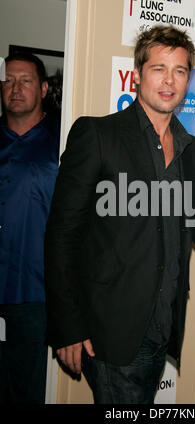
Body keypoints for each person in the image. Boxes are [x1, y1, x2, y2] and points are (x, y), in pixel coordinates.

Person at [44, 25, 195, 404]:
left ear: (188, 80)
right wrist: (66, 327)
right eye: (159, 68)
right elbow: (61, 236)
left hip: (162, 333)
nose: (169, 80)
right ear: (138, 74)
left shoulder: (188, 150)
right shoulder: (97, 136)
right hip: (109, 334)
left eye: (179, 70)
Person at [0, 53, 60, 404]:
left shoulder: (63, 141)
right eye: (8, 80)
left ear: (44, 88)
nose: (16, 88)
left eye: (25, 80)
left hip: (35, 296)